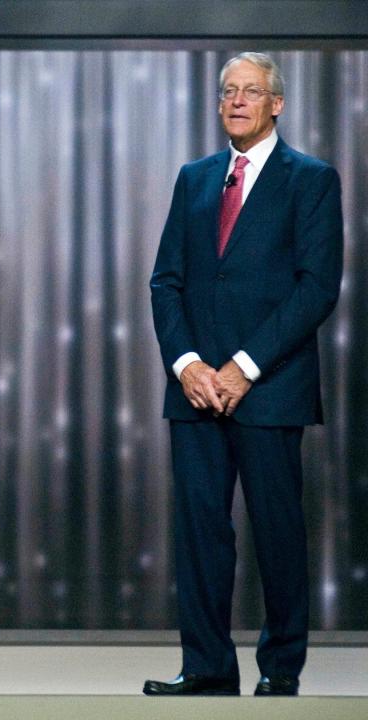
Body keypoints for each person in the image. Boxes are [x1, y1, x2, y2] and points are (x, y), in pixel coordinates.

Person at [145, 52, 343, 697]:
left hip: (270, 388)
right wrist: (188, 364)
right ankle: (205, 667)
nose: (235, 101)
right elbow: (165, 280)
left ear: (276, 104)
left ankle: (280, 669)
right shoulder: (195, 178)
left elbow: (316, 289)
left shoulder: (310, 179)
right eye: (228, 91)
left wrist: (244, 367)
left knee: (277, 532)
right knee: (201, 534)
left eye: (250, 92)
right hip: (195, 391)